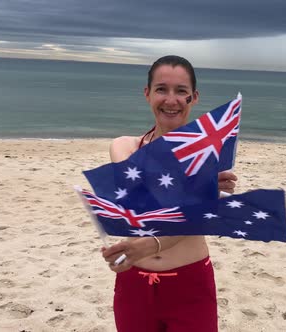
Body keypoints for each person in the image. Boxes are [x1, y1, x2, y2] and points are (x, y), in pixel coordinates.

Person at [101, 55, 237, 332]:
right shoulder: (124, 146)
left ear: (193, 97)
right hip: (134, 282)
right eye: (161, 89)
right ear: (147, 93)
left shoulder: (209, 152)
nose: (171, 99)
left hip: (191, 282)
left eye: (181, 91)